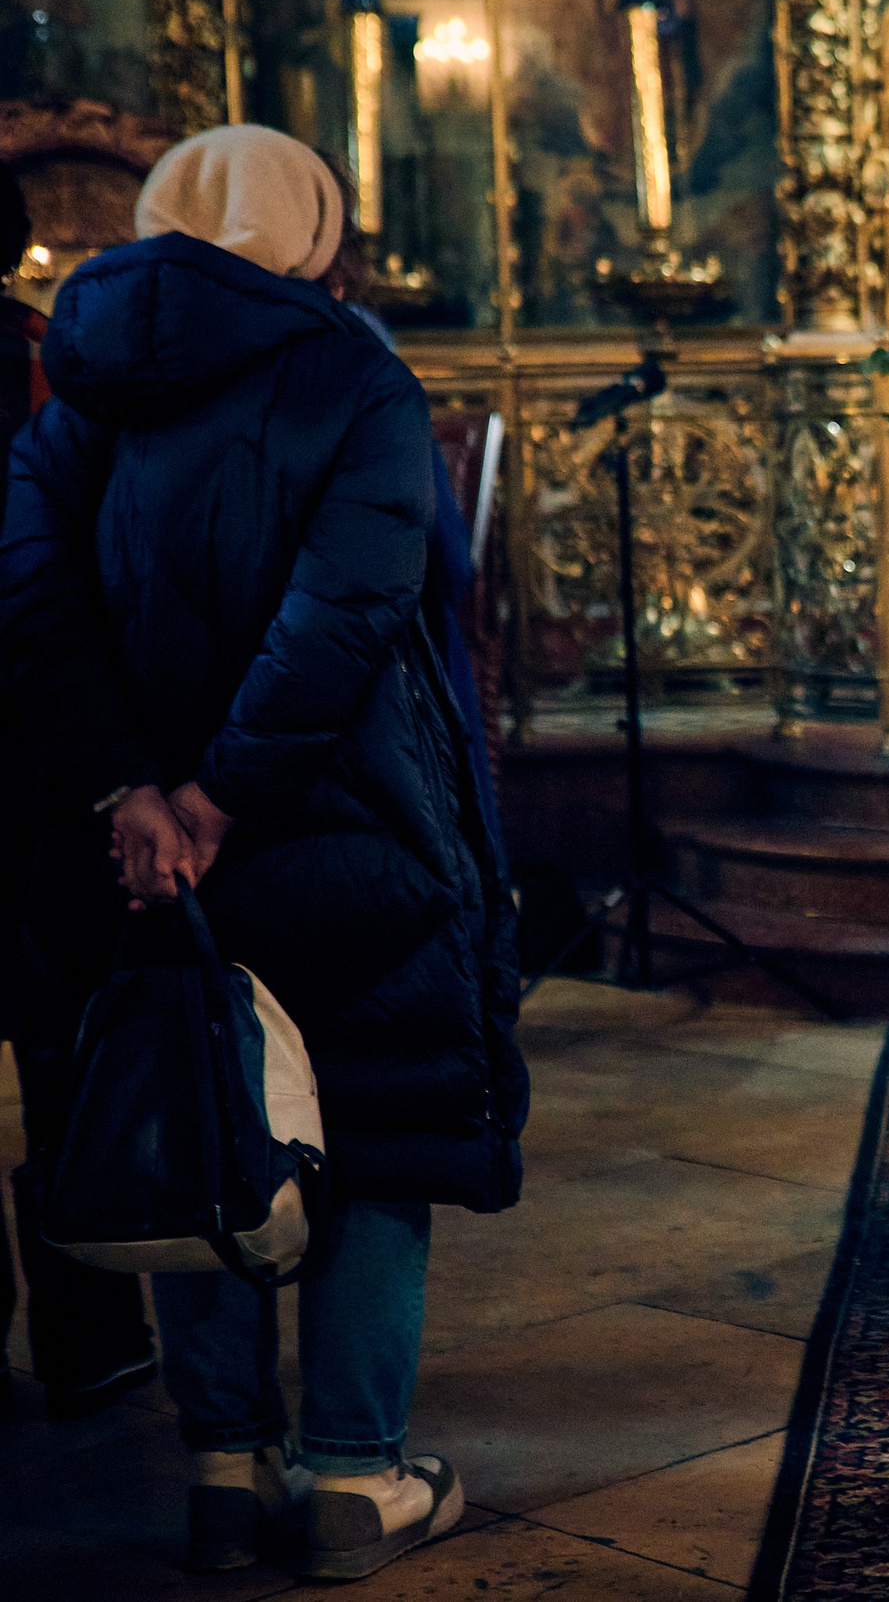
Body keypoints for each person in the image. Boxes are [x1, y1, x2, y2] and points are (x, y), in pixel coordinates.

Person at [0, 124, 525, 1578]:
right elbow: (354, 604)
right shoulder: (350, 370)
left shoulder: (82, 376)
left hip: (141, 850)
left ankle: (224, 1464)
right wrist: (225, 794)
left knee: (196, 1114)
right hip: (349, 816)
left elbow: (32, 599)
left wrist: (135, 795)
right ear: (314, 233)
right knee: (374, 1125)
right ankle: (355, 1474)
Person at [0, 158, 161, 1423]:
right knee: (63, 1050)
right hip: (41, 749)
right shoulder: (47, 364)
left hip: (36, 750)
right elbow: (82, 564)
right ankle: (88, 1331)